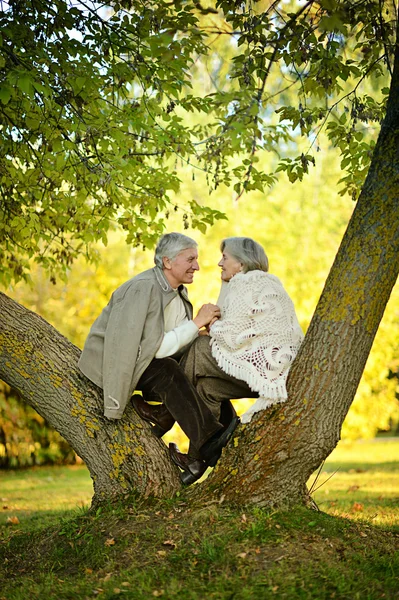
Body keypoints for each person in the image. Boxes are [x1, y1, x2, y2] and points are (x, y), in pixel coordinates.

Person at [78, 232, 240, 484]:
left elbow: (176, 341)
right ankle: (210, 442)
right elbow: (136, 350)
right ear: (167, 262)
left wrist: (201, 331)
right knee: (168, 370)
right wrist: (114, 403)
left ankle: (224, 432)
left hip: (147, 362)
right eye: (190, 259)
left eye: (196, 259)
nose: (197, 266)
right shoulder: (142, 289)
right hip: (114, 366)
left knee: (196, 365)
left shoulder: (176, 293)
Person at [169, 236, 304, 475]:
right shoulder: (265, 284)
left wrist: (210, 326)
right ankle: (195, 461)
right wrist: (214, 328)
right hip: (275, 372)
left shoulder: (247, 282)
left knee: (198, 348)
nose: (220, 263)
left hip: (268, 372)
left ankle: (164, 413)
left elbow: (232, 337)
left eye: (225, 257)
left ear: (241, 265)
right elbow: (245, 331)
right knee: (208, 388)